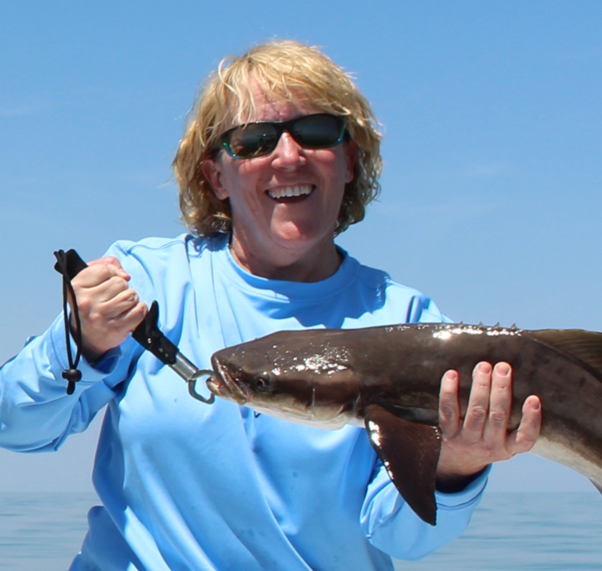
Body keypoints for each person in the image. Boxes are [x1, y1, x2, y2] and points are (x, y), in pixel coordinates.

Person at [0, 40, 542, 570]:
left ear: (349, 162)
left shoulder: (411, 325)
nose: (288, 156)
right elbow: (17, 426)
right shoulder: (144, 281)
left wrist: (458, 465)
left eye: (316, 132)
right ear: (217, 176)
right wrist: (79, 342)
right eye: (254, 140)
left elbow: (401, 535)